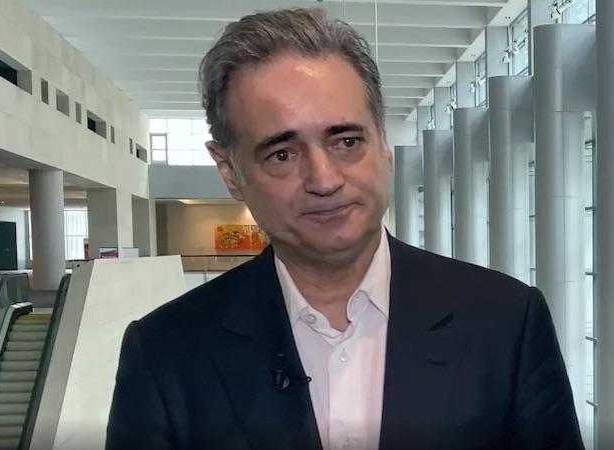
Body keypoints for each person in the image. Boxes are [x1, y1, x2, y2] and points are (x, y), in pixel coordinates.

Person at [107, 8, 583, 450]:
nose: (324, 179)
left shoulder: (506, 323)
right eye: (282, 154)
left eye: (347, 141)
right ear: (230, 171)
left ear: (384, 145)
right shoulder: (165, 354)